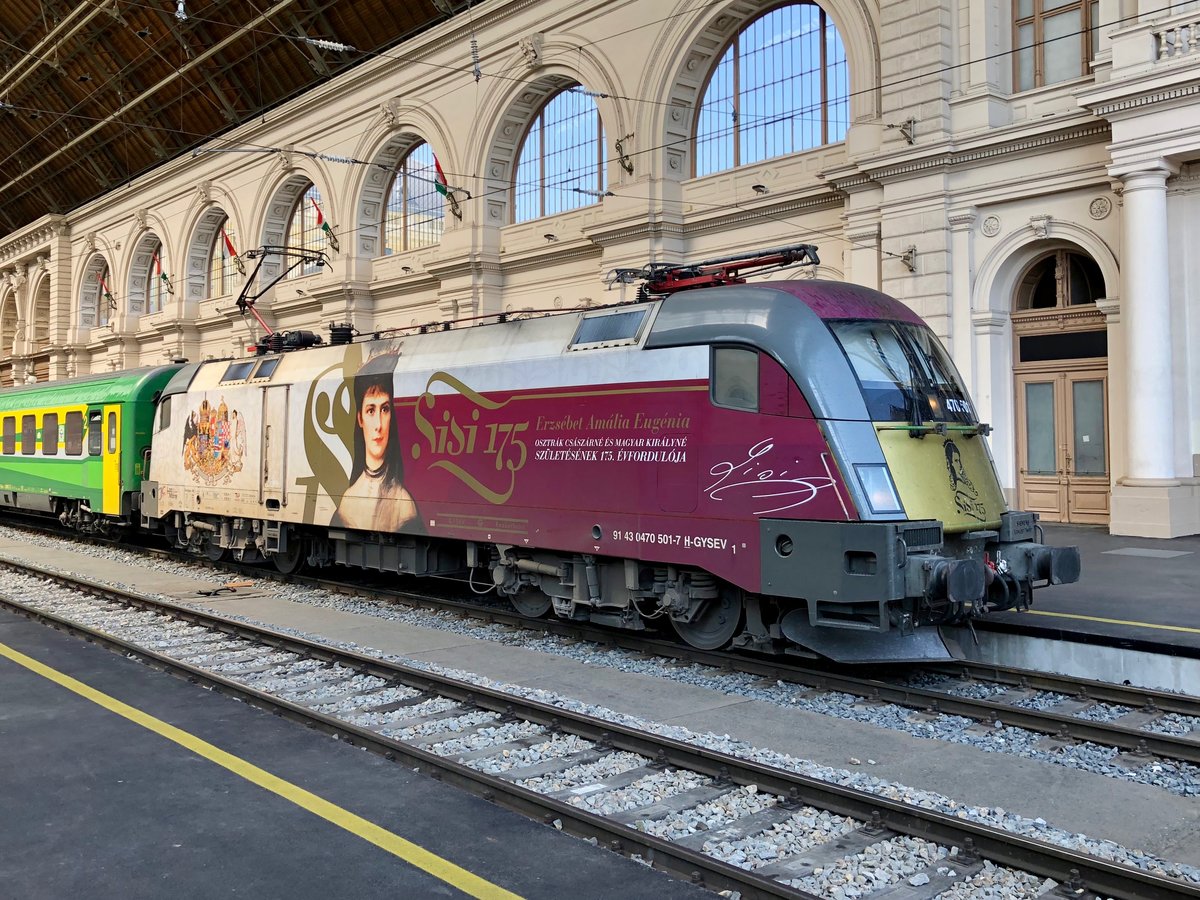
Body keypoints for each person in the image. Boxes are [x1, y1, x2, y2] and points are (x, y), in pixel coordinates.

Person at [331, 363, 421, 533]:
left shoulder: (404, 505)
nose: (379, 425)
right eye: (371, 411)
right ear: (360, 418)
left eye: (385, 409)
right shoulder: (347, 503)